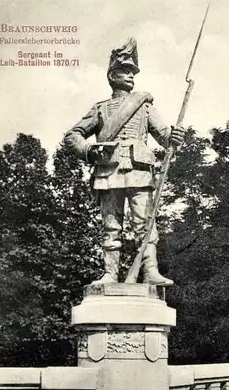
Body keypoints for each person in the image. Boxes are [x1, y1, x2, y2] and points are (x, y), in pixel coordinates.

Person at [64, 37, 184, 285]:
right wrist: (89, 151)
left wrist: (175, 136)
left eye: (133, 71)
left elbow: (164, 137)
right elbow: (72, 135)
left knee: (145, 224)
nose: (131, 75)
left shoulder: (145, 106)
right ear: (112, 76)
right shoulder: (100, 109)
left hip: (140, 171)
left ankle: (150, 271)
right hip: (109, 173)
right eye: (125, 70)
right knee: (111, 225)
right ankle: (110, 274)